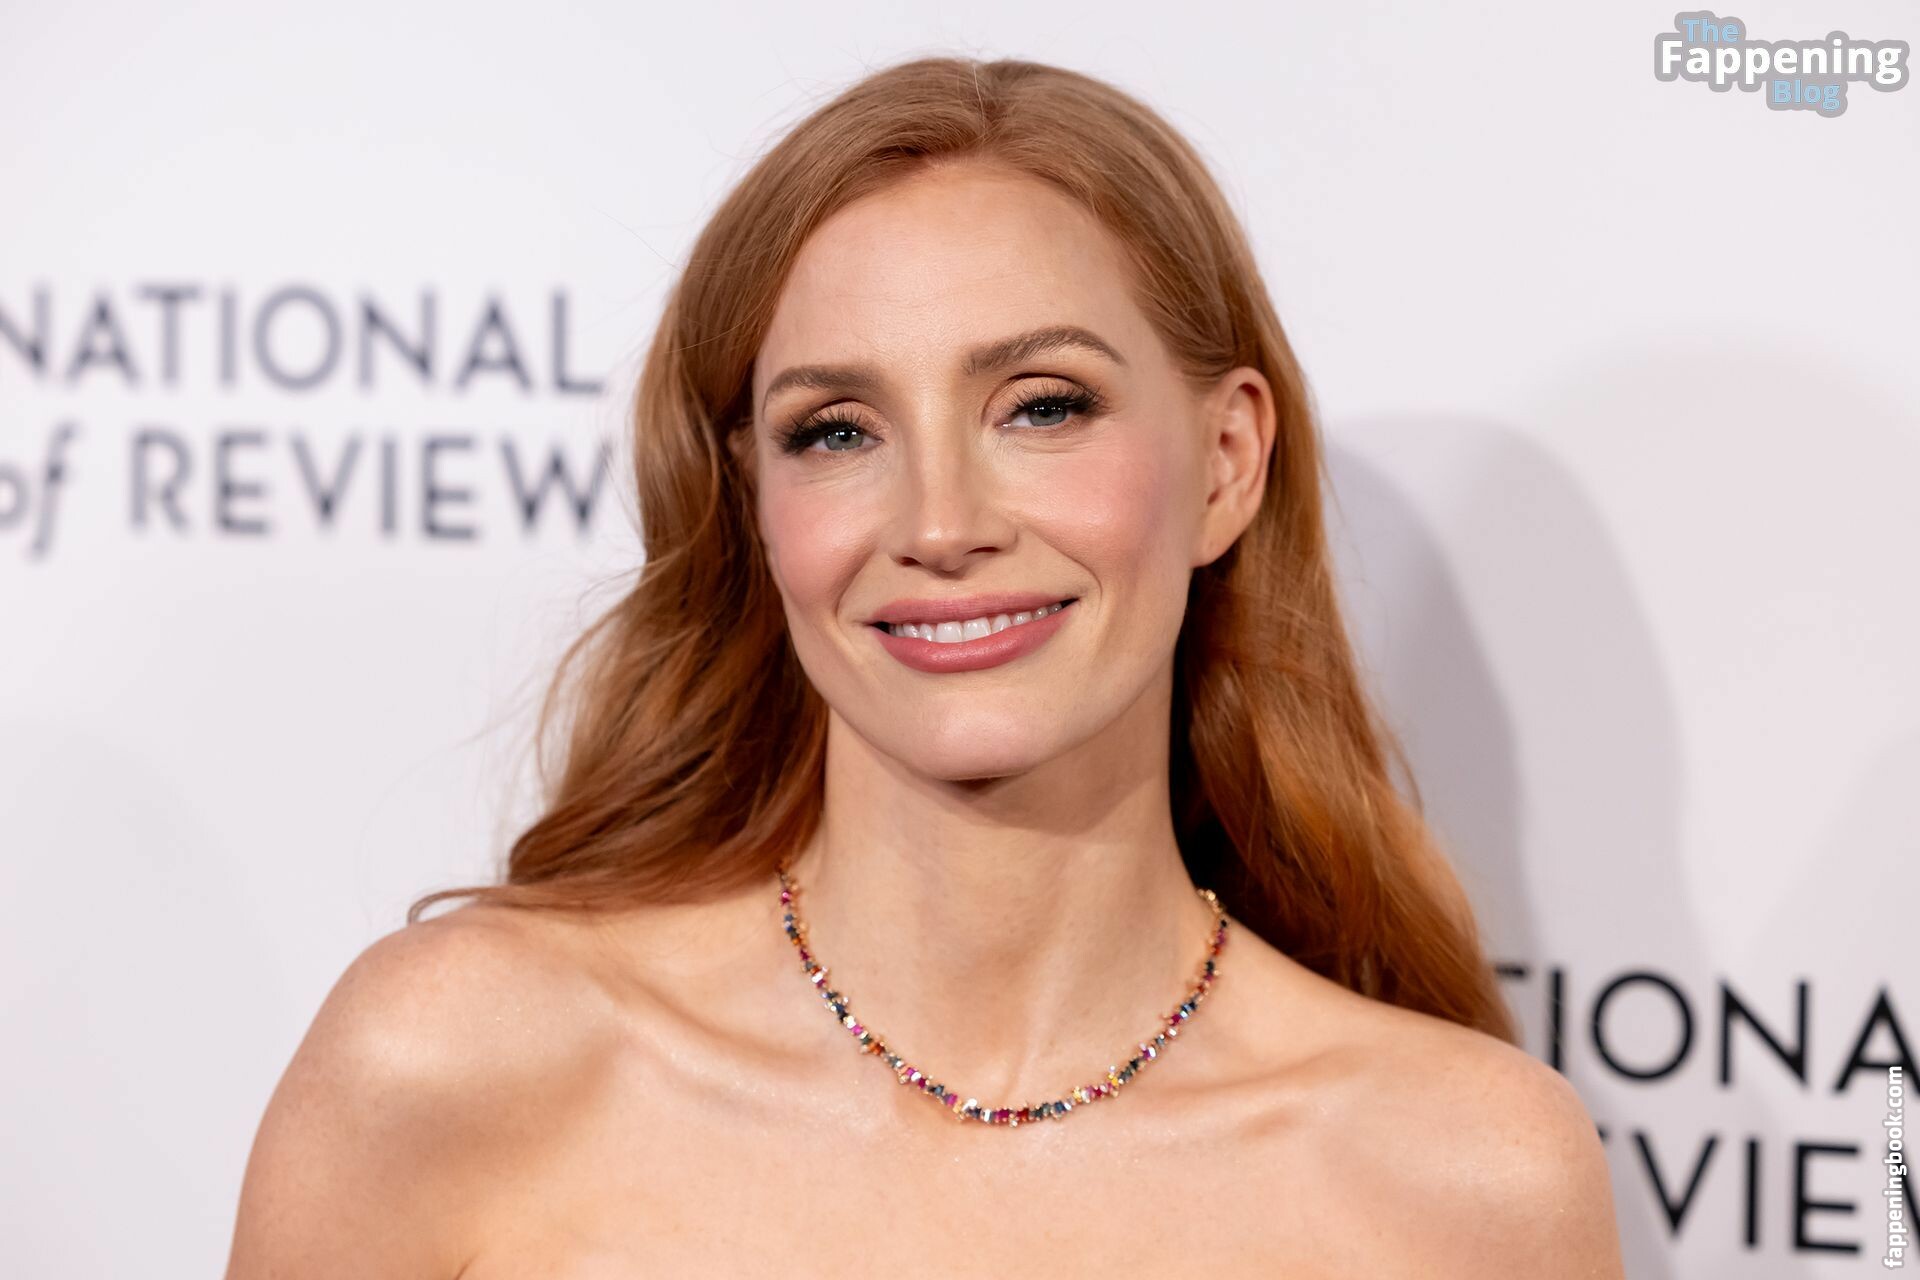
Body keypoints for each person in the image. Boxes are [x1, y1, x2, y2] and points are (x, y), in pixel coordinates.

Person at [225, 55, 1626, 1277]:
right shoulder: (456, 1067)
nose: (942, 525)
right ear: (754, 503)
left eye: (1043, 407)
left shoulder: (1466, 1179)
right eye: (837, 431)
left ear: (1224, 462)